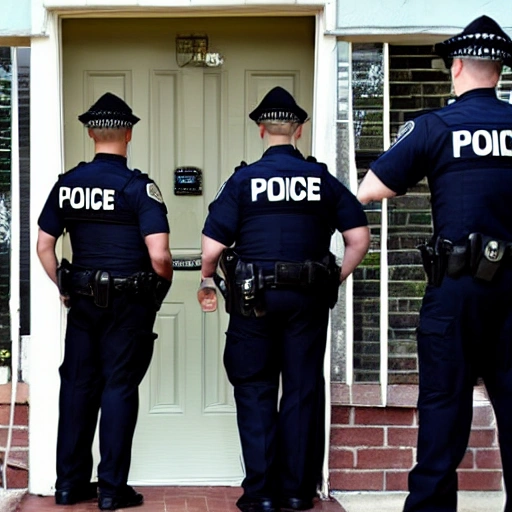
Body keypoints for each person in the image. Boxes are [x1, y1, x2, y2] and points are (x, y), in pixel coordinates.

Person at [357, 15, 512, 512]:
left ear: (458, 66)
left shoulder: (435, 126)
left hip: (456, 290)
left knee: (444, 408)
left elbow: (370, 188)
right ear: (500, 72)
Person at [198, 86, 370, 512]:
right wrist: (333, 278)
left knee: (255, 388)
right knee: (300, 389)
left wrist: (205, 280)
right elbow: (358, 239)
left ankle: (260, 494)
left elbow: (212, 249)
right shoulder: (322, 180)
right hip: (307, 300)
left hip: (253, 300)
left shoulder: (243, 180)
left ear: (261, 129)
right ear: (298, 129)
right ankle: (296, 491)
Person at [37, 92, 173, 511]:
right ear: (128, 134)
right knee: (118, 387)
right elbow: (159, 254)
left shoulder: (68, 184)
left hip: (82, 301)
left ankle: (69, 485)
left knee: (78, 388)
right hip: (129, 302)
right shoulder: (138, 188)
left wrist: (63, 284)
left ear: (92, 133)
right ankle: (112, 490)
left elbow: (44, 245)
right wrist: (159, 289)